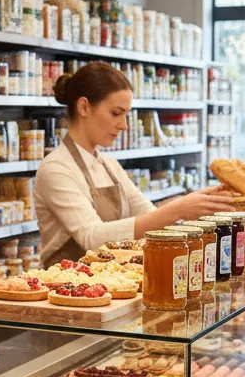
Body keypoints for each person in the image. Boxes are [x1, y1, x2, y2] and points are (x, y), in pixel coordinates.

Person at [36, 62, 234, 265]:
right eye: (115, 113)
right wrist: (178, 209)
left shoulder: (109, 165)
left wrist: (195, 204)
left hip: (112, 285)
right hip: (62, 288)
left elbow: (148, 216)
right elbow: (92, 237)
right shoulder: (56, 168)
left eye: (125, 115)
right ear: (84, 106)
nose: (124, 125)